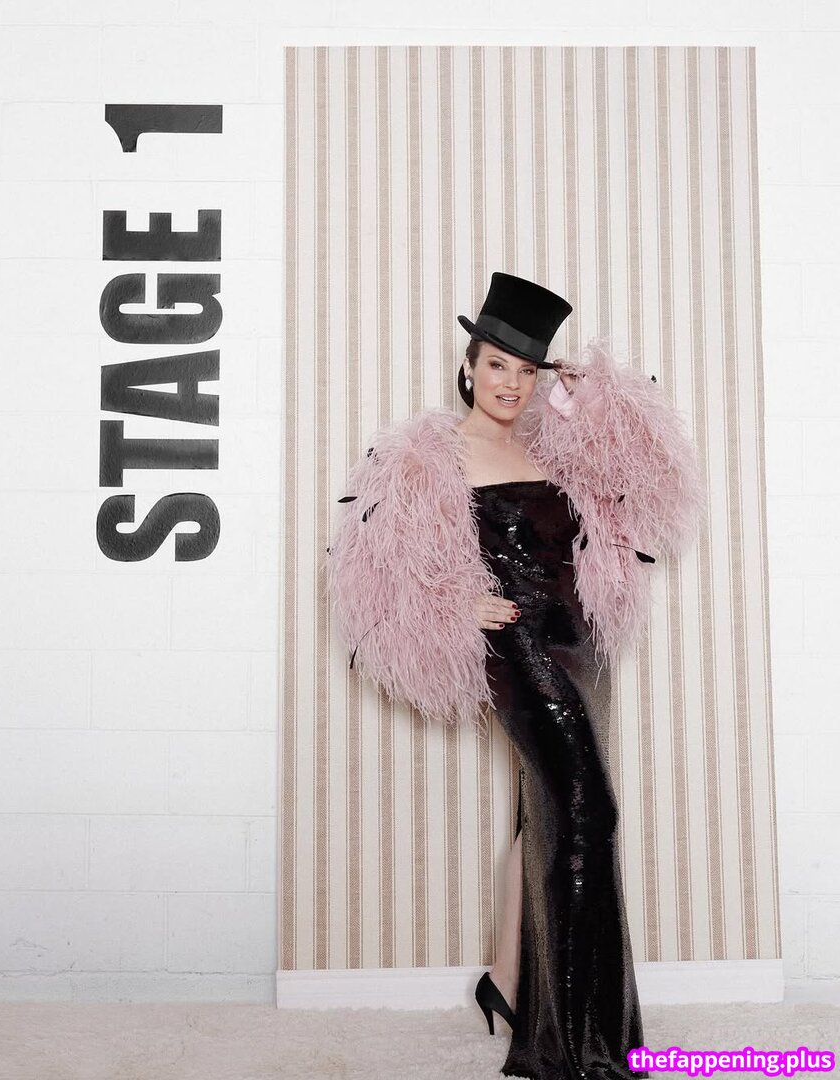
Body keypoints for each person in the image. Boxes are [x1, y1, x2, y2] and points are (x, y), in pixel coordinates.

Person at [327, 272, 706, 1080]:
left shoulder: (548, 443)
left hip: (582, 644)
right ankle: (580, 1047)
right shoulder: (427, 457)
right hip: (520, 648)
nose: (509, 383)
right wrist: (451, 602)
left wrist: (592, 394)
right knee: (587, 811)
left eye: (526, 370)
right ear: (469, 366)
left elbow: (652, 481)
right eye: (497, 364)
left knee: (543, 812)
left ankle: (504, 982)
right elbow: (370, 567)